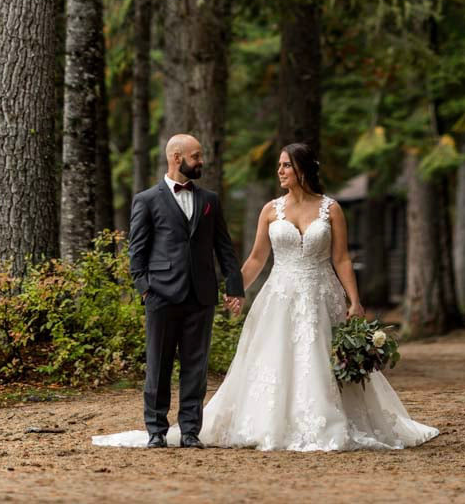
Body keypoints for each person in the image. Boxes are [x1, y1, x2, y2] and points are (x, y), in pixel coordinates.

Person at [93, 141, 439, 452]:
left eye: (285, 165)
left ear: (302, 169)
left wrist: (355, 300)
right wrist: (234, 290)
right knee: (265, 360)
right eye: (278, 165)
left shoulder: (330, 209)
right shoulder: (270, 209)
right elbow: (256, 258)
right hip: (278, 296)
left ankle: (324, 421)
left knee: (318, 360)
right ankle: (177, 428)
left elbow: (342, 258)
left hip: (321, 294)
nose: (280, 171)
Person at [121, 133, 244, 448]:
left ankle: (190, 431)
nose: (201, 162)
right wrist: (146, 290)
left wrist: (234, 287)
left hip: (201, 295)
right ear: (176, 157)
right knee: (158, 366)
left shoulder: (210, 201)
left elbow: (224, 247)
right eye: (196, 156)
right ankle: (156, 431)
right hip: (161, 295)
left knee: (196, 367)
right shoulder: (146, 200)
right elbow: (137, 252)